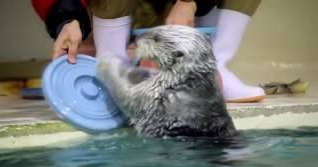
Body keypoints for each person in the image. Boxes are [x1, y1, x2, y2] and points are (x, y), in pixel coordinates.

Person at [31, 0, 265, 103]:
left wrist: (188, 1)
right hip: (114, 15)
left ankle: (215, 64)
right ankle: (112, 65)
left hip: (182, 13)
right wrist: (67, 18)